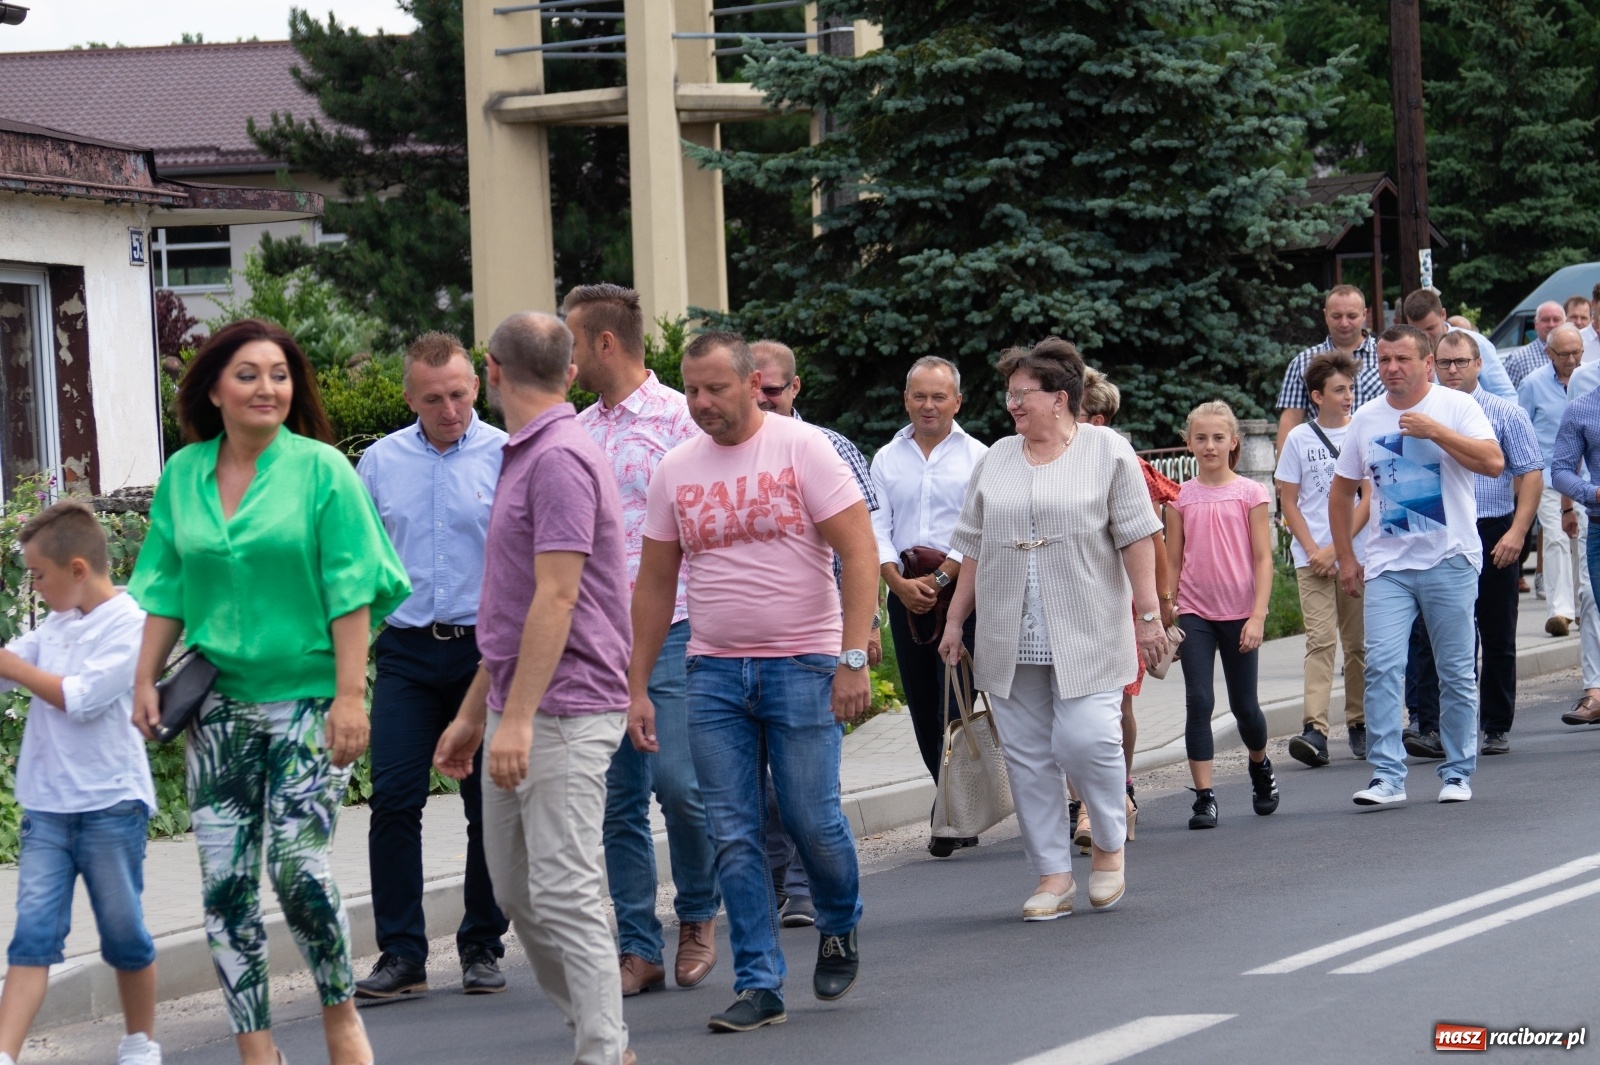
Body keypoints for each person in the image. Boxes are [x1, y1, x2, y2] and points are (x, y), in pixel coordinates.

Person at [129, 318, 409, 1065]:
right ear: (215, 387)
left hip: (309, 700)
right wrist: (142, 682)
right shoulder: (184, 473)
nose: (267, 387)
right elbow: (165, 588)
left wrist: (352, 696)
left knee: (297, 868)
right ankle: (256, 1046)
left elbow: (353, 589)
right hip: (216, 707)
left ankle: (339, 1012)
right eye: (248, 374)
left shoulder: (323, 470)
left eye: (280, 374)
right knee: (223, 885)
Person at [630, 331, 875, 1033]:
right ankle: (760, 980)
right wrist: (637, 684)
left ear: (751, 381)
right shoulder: (676, 467)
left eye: (715, 388)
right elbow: (654, 583)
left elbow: (857, 552)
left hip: (801, 664)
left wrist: (851, 658)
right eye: (692, 389)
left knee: (810, 817)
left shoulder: (804, 450)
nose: (701, 402)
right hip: (710, 671)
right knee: (733, 832)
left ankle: (837, 921)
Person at [433, 312, 636, 1065]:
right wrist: (473, 713)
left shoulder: (557, 458)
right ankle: (594, 1031)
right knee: (519, 893)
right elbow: (516, 604)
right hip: (514, 704)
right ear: (570, 372)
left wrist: (514, 719)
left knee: (566, 889)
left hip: (568, 707)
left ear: (489, 371)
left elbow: (556, 597)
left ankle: (601, 1048)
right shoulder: (526, 452)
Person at [940, 338, 1164, 920]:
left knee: (1086, 739)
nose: (1012, 405)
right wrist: (956, 617)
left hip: (1089, 627)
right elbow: (974, 547)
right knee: (1028, 758)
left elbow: (1139, 535)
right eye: (1009, 395)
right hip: (1008, 633)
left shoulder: (1106, 451)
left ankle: (1110, 844)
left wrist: (1148, 616)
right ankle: (1053, 875)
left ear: (1060, 398)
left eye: (1022, 394)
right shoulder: (996, 458)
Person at [565, 282, 721, 997]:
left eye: (571, 341)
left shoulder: (677, 420)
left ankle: (697, 914)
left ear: (604, 342)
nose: (562, 356)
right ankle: (637, 944)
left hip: (675, 627)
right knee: (616, 798)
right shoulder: (577, 429)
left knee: (680, 784)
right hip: (596, 638)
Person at [353, 332, 509, 1000]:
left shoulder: (508, 454)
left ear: (476, 385)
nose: (449, 408)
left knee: (489, 804)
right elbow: (357, 565)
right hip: (409, 651)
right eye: (433, 398)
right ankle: (402, 952)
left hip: (485, 651)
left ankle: (481, 942)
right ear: (410, 395)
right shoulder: (379, 463)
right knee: (392, 797)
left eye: (459, 394)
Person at [0, 503, 160, 1065]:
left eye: (38, 574)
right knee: (33, 937)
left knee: (124, 935)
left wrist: (13, 668)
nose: (35, 586)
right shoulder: (54, 624)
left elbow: (82, 699)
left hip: (111, 805)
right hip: (46, 808)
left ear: (76, 569)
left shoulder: (133, 624)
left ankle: (140, 1044)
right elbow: (7, 668)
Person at [1329, 325, 1503, 807]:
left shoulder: (1457, 407)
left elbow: (1493, 462)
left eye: (1402, 359)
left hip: (1450, 557)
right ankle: (1387, 776)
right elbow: (1342, 492)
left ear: (1428, 363)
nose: (1391, 368)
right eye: (1384, 360)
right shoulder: (1366, 418)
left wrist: (1436, 432)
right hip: (1389, 564)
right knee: (1382, 665)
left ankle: (1457, 772)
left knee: (1455, 671)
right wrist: (1347, 557)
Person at [749, 338, 880, 918]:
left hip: (817, 636)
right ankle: (775, 876)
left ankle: (805, 886)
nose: (762, 400)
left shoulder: (829, 448)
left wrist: (864, 630)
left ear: (795, 388)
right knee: (757, 784)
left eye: (772, 389)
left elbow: (862, 548)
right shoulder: (718, 449)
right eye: (751, 388)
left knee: (802, 783)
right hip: (737, 642)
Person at [867, 355, 987, 855]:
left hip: (962, 593)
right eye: (920, 395)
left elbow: (979, 528)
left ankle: (953, 811)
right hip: (906, 596)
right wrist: (897, 583)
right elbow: (875, 526)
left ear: (957, 401)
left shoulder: (978, 455)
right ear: (906, 399)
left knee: (954, 699)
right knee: (920, 704)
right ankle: (954, 803)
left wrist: (941, 579)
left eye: (940, 396)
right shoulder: (885, 458)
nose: (929, 405)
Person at [1417, 331, 1542, 755]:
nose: (1453, 371)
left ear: (1478, 364)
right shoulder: (1420, 415)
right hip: (1438, 529)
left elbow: (1529, 474)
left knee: (1496, 629)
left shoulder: (1505, 414)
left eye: (1461, 363)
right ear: (1433, 365)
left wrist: (1518, 533)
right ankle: (1432, 727)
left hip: (1493, 529)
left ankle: (1494, 724)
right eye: (1446, 363)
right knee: (1436, 634)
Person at [1164, 402, 1279, 827]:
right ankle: (1204, 797)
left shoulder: (1251, 493)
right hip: (1194, 612)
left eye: (1217, 438)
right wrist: (1166, 608)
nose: (1209, 446)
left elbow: (1264, 558)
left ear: (1233, 442)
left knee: (1244, 707)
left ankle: (1260, 766)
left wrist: (1258, 615)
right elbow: (1172, 560)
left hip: (1241, 613)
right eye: (1200, 438)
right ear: (1188, 442)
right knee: (1200, 700)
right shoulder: (1180, 498)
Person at [1074, 367, 1177, 837]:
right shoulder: (1054, 458)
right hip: (1077, 598)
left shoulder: (1124, 462)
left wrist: (1160, 601)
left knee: (1117, 703)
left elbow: (1155, 534)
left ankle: (1120, 790)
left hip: (1123, 600)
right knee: (1075, 704)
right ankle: (1084, 801)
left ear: (1094, 420)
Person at [1275, 353, 1370, 766]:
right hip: (1309, 559)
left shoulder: (1362, 433)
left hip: (1355, 555)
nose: (1348, 396)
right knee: (1320, 641)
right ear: (1316, 396)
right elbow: (1288, 501)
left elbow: (1369, 498)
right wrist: (1315, 550)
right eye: (1339, 390)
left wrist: (1337, 548)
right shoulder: (1299, 439)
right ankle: (1314, 730)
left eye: (1350, 389)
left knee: (1357, 645)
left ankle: (1360, 721)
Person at [1517, 324, 1586, 636]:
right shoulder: (1533, 384)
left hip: (1587, 476)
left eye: (1576, 352)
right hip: (1547, 475)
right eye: (1564, 354)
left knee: (1583, 539)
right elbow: (1521, 429)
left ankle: (1585, 605)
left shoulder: (1590, 380)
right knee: (1557, 537)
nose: (1571, 359)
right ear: (1549, 353)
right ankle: (1560, 611)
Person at [1276, 285, 1380, 455]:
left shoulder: (1385, 358)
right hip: (1321, 460)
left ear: (1364, 314)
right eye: (1337, 316)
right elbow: (1291, 419)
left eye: (1352, 316)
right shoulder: (1303, 362)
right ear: (1325, 315)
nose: (1344, 323)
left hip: (1376, 457)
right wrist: (1282, 472)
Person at [1402, 289, 1516, 401]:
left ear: (1443, 314)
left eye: (1430, 328)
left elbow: (1505, 394)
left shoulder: (1475, 342)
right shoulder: (1404, 351)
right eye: (1417, 330)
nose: (1425, 336)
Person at [1503, 300, 1568, 387]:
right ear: (1536, 324)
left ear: (1565, 323)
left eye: (1556, 320)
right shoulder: (1518, 359)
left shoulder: (1577, 354)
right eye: (1545, 320)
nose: (1551, 324)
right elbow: (1506, 396)